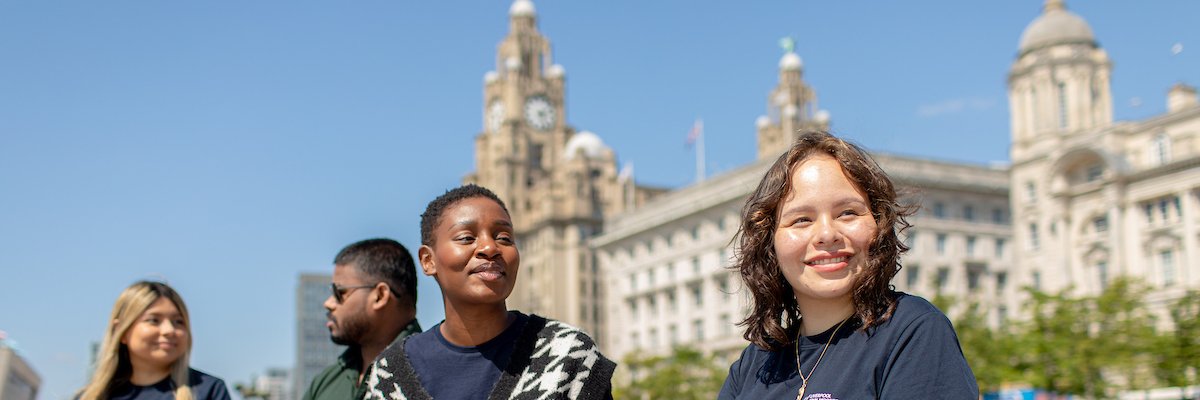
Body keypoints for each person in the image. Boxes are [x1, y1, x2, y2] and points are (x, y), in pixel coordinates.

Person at [718, 131, 979, 399]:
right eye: (802, 220)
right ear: (769, 243)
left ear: (879, 225)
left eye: (847, 213)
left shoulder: (912, 330)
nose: (827, 234)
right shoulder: (756, 363)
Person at [365, 184, 615, 400]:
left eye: (504, 238)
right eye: (466, 238)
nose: (489, 247)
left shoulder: (566, 353)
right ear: (428, 260)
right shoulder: (391, 373)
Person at [303, 238, 423, 400]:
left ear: (380, 296)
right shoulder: (326, 382)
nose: (328, 303)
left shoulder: (431, 374)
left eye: (340, 293)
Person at [77, 281, 231, 400]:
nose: (169, 330)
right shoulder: (91, 397)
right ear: (120, 331)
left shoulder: (208, 390)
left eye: (178, 321)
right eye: (153, 320)